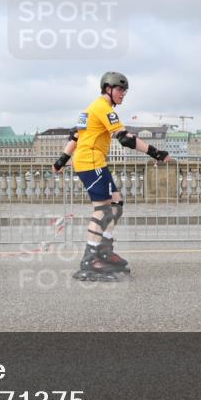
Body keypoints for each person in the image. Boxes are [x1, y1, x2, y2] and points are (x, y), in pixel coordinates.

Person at [52, 71, 173, 281]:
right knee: (102, 209)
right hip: (91, 162)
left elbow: (75, 136)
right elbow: (125, 139)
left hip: (93, 161)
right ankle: (89, 261)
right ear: (108, 89)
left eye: (125, 90)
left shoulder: (89, 109)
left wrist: (61, 160)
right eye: (119, 89)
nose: (123, 93)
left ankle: (104, 249)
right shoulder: (103, 108)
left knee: (116, 204)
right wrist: (156, 153)